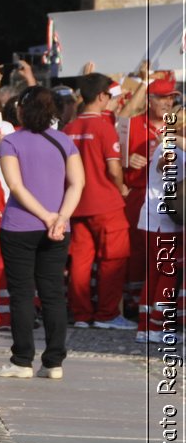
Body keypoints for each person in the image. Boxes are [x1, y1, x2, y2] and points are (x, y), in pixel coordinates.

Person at [0, 87, 83, 379]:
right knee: (53, 293)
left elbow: (16, 186)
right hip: (58, 228)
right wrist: (60, 218)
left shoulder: (11, 142)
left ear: (20, 110)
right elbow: (77, 184)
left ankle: (22, 360)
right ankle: (54, 361)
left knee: (22, 294)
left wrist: (45, 216)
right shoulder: (64, 141)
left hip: (20, 225)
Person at [65, 73, 134, 330]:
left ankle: (81, 314)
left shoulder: (69, 129)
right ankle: (107, 315)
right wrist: (122, 188)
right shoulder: (104, 126)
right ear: (103, 96)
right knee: (113, 260)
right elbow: (114, 169)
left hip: (77, 204)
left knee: (80, 262)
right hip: (106, 202)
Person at [126, 77, 178, 311]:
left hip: (170, 199)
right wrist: (126, 161)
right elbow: (112, 159)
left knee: (165, 256)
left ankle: (156, 305)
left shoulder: (177, 125)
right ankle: (136, 301)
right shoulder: (133, 124)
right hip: (138, 195)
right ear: (149, 100)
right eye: (162, 97)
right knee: (138, 251)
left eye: (171, 97)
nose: (168, 102)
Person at [136, 130, 180, 345]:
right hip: (164, 222)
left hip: (154, 218)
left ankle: (145, 326)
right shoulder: (173, 147)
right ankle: (154, 325)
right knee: (167, 275)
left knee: (154, 274)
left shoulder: (169, 144)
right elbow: (165, 165)